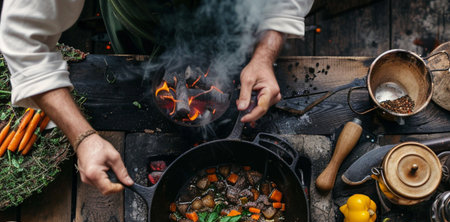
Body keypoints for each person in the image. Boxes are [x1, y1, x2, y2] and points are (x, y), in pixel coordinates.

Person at [0, 0, 314, 195]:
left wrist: (263, 55)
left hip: (237, 20)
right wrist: (83, 138)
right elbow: (23, 40)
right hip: (140, 25)